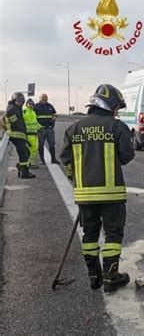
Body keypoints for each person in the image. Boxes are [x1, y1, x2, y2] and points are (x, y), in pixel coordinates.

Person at [60, 84, 134, 293]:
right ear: (110, 106)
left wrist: (75, 177)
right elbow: (127, 156)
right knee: (113, 235)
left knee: (89, 235)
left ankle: (94, 277)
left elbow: (65, 159)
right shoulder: (117, 127)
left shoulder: (73, 129)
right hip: (112, 194)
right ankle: (111, 277)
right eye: (116, 108)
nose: (116, 112)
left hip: (85, 194)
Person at [2, 92, 35, 179]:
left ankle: (21, 167)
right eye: (19, 101)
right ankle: (24, 173)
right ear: (14, 100)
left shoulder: (17, 108)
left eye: (22, 101)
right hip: (16, 135)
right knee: (23, 153)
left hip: (20, 135)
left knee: (26, 152)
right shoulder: (11, 109)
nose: (20, 103)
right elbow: (15, 124)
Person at [34, 93, 59, 164]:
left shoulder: (50, 106)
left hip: (50, 129)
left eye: (45, 97)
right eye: (43, 97)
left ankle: (53, 160)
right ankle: (42, 160)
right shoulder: (36, 106)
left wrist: (54, 118)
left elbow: (55, 114)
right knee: (40, 145)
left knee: (52, 144)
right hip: (41, 129)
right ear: (40, 98)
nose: (44, 99)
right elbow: (33, 117)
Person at [23, 98, 41, 169]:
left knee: (34, 149)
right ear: (26, 104)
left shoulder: (33, 112)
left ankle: (30, 163)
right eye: (29, 103)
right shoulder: (24, 111)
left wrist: (40, 127)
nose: (31, 105)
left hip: (34, 134)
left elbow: (35, 122)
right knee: (32, 149)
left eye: (32, 104)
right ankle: (29, 163)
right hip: (28, 134)